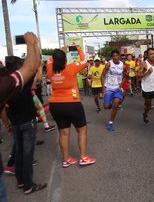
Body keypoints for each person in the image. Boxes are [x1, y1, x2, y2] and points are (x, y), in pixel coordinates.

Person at [47, 46, 95, 168]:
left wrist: (60, 51)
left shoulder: (49, 67)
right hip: (72, 104)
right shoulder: (71, 68)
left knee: (63, 133)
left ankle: (66, 159)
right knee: (82, 130)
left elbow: (52, 59)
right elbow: (84, 60)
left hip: (55, 105)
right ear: (65, 60)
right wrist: (78, 49)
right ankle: (83, 157)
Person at [5, 55, 47, 194]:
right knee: (28, 154)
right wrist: (39, 64)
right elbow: (36, 71)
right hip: (28, 122)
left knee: (19, 151)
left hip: (15, 122)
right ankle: (29, 185)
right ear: (18, 67)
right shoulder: (23, 81)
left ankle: (21, 180)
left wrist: (7, 124)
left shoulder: (6, 83)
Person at [101, 50, 125, 131]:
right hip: (109, 88)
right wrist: (103, 89)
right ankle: (110, 103)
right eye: (113, 56)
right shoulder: (109, 64)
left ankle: (110, 123)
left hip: (117, 88)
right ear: (111, 57)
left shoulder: (122, 65)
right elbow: (102, 75)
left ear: (119, 56)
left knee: (116, 103)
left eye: (116, 55)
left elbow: (124, 76)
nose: (115, 57)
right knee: (106, 106)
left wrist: (121, 85)